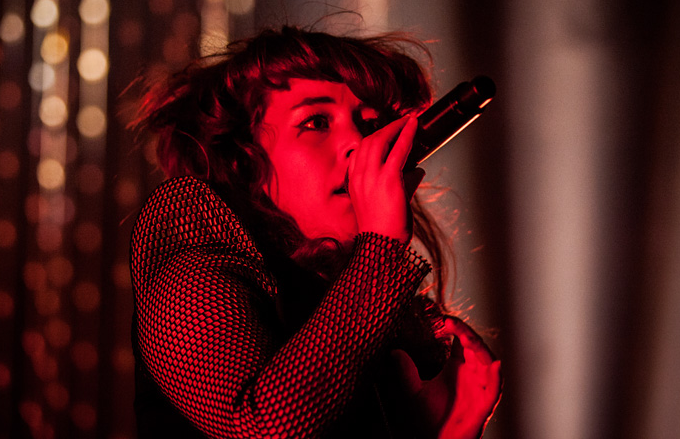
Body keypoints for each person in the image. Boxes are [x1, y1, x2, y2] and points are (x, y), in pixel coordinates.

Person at [129, 25, 502, 438]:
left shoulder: (365, 298)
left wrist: (448, 429)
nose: (357, 143)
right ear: (244, 158)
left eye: (372, 123)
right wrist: (381, 247)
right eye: (317, 121)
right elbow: (261, 426)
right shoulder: (192, 234)